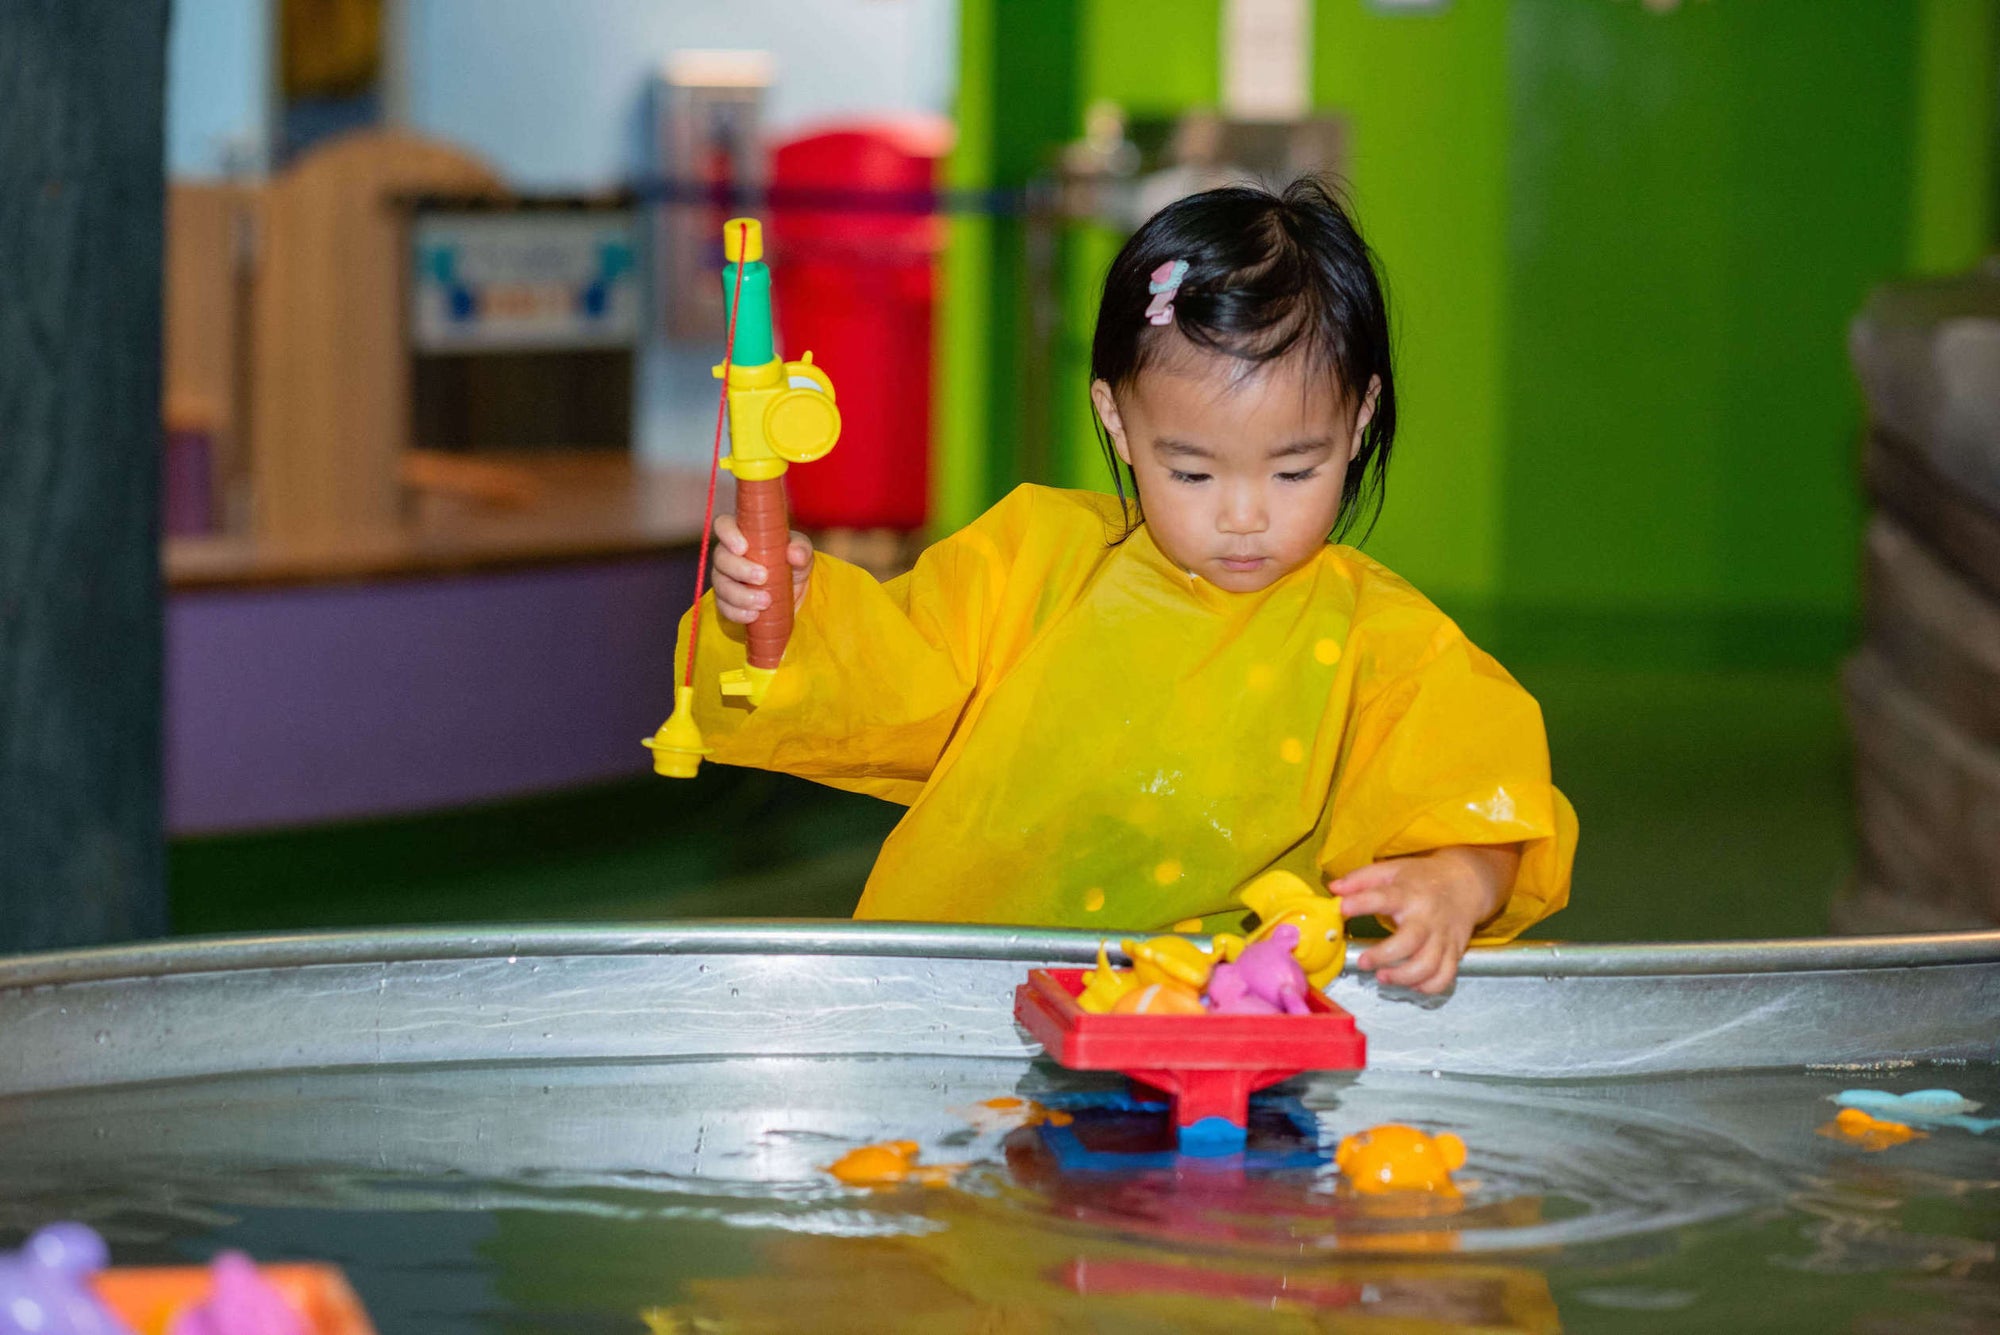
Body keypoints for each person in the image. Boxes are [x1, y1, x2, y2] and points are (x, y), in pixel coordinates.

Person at [680, 179, 1575, 994]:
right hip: (956, 990)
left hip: (1213, 1021)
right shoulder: (1034, 562)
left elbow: (1479, 795)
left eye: (1294, 472)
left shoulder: (1383, 641)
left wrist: (1456, 880)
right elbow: (885, 674)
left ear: (1360, 418)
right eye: (1193, 473)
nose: (1244, 516)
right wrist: (780, 614)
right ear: (1117, 418)